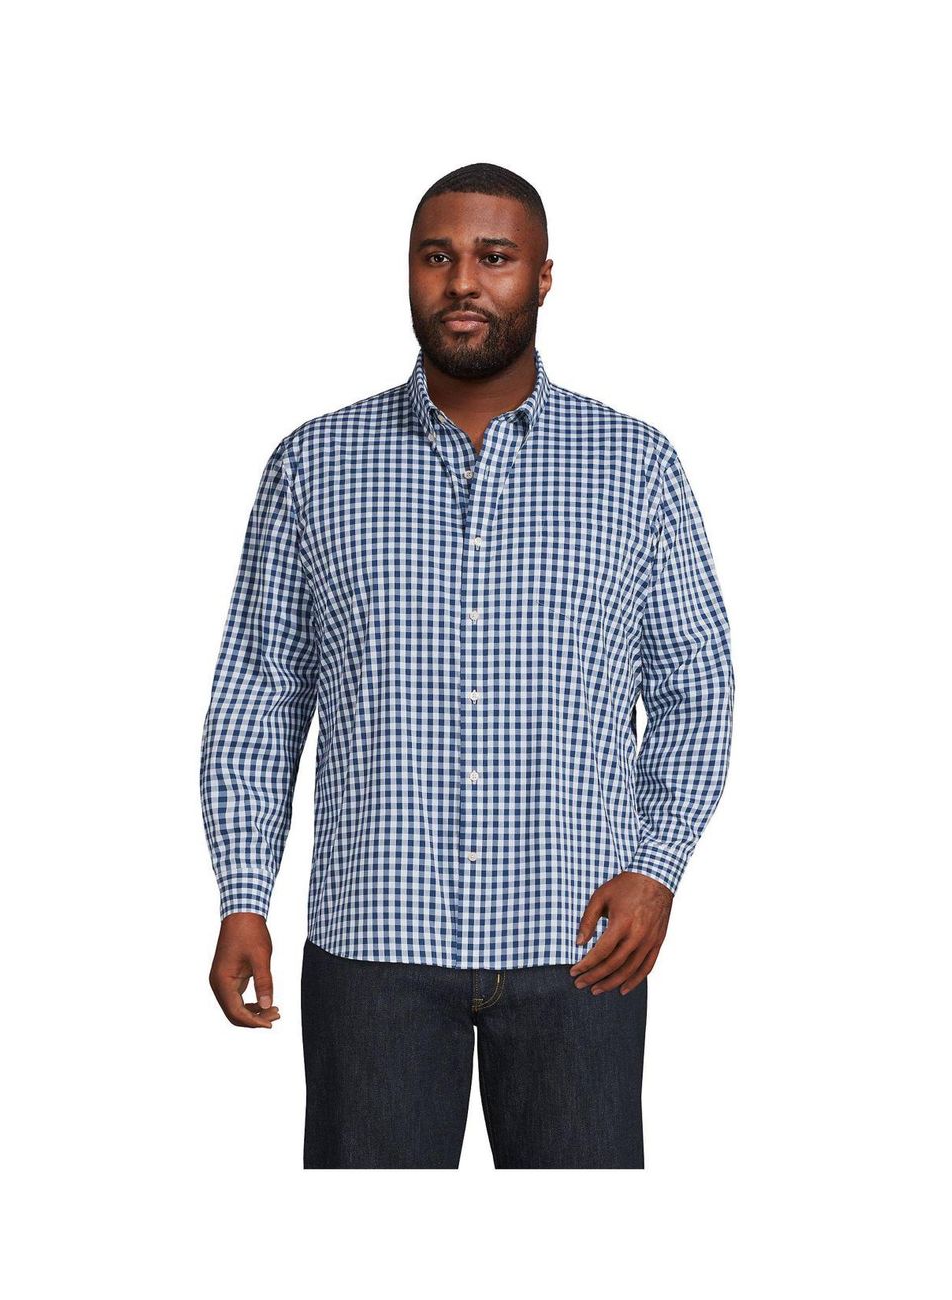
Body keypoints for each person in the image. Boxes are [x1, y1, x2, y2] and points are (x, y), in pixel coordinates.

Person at [199, 162, 735, 1168]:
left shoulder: (636, 467)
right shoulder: (313, 466)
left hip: (578, 944)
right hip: (372, 948)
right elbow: (260, 697)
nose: (461, 282)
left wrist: (656, 868)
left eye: (494, 257)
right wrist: (242, 894)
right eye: (436, 256)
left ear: (542, 276)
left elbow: (694, 687)